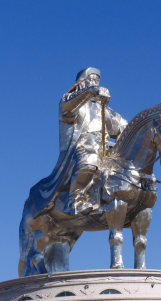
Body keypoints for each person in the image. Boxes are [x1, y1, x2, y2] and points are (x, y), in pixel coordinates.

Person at [58, 67, 127, 214]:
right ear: (82, 82)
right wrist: (90, 92)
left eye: (97, 80)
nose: (95, 82)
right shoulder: (72, 102)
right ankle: (75, 200)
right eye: (91, 79)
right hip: (81, 145)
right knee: (90, 160)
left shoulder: (105, 111)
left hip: (104, 148)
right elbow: (67, 110)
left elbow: (124, 128)